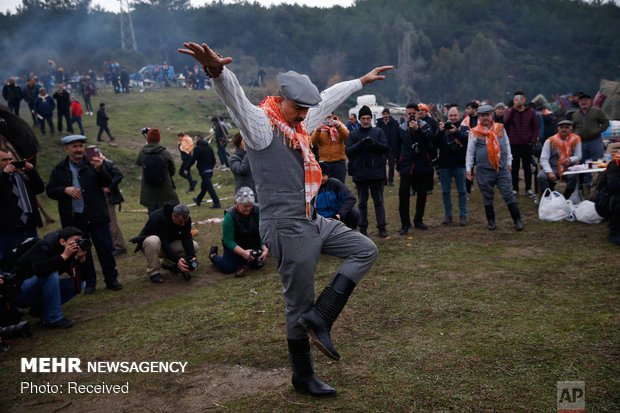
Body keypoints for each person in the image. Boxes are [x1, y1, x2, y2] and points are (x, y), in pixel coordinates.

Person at [179, 41, 388, 396]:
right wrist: (217, 71)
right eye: (299, 108)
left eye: (308, 110)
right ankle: (303, 376)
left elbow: (327, 98)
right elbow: (237, 102)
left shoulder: (300, 122)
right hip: (285, 225)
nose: (305, 115)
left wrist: (360, 82)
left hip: (312, 219)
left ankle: (322, 317)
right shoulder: (261, 126)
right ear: (282, 99)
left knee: (364, 249)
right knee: (298, 304)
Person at [46, 135, 123, 294]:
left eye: (81, 146)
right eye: (74, 146)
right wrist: (64, 190)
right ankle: (89, 282)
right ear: (67, 149)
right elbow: (50, 191)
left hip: (97, 215)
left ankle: (111, 279)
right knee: (82, 251)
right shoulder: (59, 169)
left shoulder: (93, 164)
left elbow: (108, 182)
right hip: (75, 218)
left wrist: (99, 170)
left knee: (105, 249)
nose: (79, 149)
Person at [14, 227, 89, 328]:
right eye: (75, 241)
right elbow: (40, 270)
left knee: (79, 284)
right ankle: (53, 318)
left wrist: (81, 258)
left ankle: (40, 310)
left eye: (79, 241)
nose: (77, 244)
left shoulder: (68, 249)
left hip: (38, 288)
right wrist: (64, 256)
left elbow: (81, 278)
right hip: (19, 291)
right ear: (62, 241)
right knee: (51, 274)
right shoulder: (44, 246)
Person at [466, 105, 523, 231]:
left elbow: (507, 146)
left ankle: (517, 220)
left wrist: (509, 162)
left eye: (487, 115)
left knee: (508, 193)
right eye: (482, 115)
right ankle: (491, 221)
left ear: (491, 115)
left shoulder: (500, 129)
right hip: (484, 170)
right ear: (479, 117)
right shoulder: (474, 132)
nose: (485, 118)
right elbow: (470, 152)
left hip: (501, 168)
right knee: (487, 195)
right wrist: (469, 169)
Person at [346, 105, 390, 238]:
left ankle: (382, 227)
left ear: (371, 119)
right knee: (362, 203)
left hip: (376, 173)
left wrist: (374, 144)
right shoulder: (353, 134)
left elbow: (386, 147)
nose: (366, 121)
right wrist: (360, 144)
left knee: (379, 201)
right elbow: (347, 151)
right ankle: (363, 227)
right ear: (359, 119)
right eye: (363, 118)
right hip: (360, 173)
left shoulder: (378, 132)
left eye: (368, 118)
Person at [131, 202, 198, 283]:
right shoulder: (158, 217)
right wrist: (177, 260)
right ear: (173, 216)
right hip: (152, 246)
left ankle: (169, 265)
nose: (183, 224)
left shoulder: (185, 219)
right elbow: (164, 242)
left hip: (169, 243)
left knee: (194, 246)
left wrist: (191, 257)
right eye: (180, 222)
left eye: (185, 221)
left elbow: (186, 237)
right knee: (153, 240)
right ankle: (153, 272)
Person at [209, 187, 268, 277]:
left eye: (250, 206)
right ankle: (213, 255)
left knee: (257, 264)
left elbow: (261, 230)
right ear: (238, 203)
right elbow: (228, 240)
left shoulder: (257, 210)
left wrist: (264, 247)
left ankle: (243, 258)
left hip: (251, 240)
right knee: (228, 268)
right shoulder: (230, 215)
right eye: (245, 206)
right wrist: (243, 252)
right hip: (235, 244)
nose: (248, 209)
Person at [396, 103, 435, 234]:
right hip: (407, 165)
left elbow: (429, 139)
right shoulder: (401, 128)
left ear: (418, 114)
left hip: (422, 165)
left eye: (414, 113)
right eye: (409, 114)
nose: (411, 116)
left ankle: (418, 220)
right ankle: (405, 224)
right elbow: (397, 147)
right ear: (405, 115)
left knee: (422, 194)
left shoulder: (425, 125)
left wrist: (417, 129)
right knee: (403, 195)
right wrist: (398, 164)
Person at [0, 149, 44, 259]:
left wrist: (31, 171)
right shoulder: (3, 178)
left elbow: (39, 188)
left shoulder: (21, 175)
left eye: (11, 159)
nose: (9, 162)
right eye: (4, 160)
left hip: (28, 225)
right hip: (7, 230)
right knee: (10, 261)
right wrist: (4, 175)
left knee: (32, 258)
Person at [434, 106, 469, 226]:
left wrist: (456, 132)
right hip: (445, 165)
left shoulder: (463, 128)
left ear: (459, 116)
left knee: (462, 191)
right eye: (451, 116)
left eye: (455, 115)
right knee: (445, 192)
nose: (453, 118)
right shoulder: (443, 129)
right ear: (447, 117)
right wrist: (440, 131)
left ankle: (463, 215)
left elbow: (467, 140)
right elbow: (435, 142)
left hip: (460, 164)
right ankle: (448, 215)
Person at [503, 91, 539, 197]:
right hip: (514, 143)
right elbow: (507, 121)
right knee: (514, 167)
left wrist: (532, 140)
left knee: (527, 167)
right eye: (516, 99)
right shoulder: (511, 111)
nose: (519, 101)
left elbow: (536, 126)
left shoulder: (530, 111)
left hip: (526, 143)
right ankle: (515, 188)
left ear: (524, 99)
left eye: (520, 98)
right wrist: (514, 108)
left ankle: (528, 188)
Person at [572, 93, 609, 190]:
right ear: (578, 102)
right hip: (581, 143)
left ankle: (599, 184)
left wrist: (599, 131)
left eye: (586, 100)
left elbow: (606, 122)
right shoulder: (575, 115)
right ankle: (587, 185)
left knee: (598, 163)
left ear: (590, 101)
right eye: (581, 101)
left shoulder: (596, 112)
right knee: (583, 165)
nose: (584, 102)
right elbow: (573, 127)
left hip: (595, 141)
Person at [136, 128, 179, 213]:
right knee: (167, 217)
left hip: (148, 191)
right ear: (159, 138)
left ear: (148, 139)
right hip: (165, 190)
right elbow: (172, 170)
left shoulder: (143, 152)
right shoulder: (165, 153)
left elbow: (138, 162)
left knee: (153, 218)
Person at [537, 120, 581, 198]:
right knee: (541, 176)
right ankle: (549, 197)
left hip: (568, 168)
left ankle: (566, 197)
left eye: (567, 128)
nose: (564, 129)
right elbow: (543, 159)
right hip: (553, 167)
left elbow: (578, 155)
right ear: (558, 129)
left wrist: (570, 160)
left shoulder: (576, 139)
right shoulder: (550, 141)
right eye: (561, 127)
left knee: (574, 175)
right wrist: (549, 172)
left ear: (570, 130)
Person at [316, 164, 360, 230]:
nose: (321, 178)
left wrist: (340, 214)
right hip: (320, 219)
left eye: (323, 175)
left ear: (328, 175)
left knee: (355, 212)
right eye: (319, 176)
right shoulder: (311, 189)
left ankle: (351, 230)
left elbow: (350, 199)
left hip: (337, 216)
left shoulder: (335, 184)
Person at [311, 113, 349, 183]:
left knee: (340, 185)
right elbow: (312, 143)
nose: (327, 120)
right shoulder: (319, 129)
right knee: (326, 186)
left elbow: (347, 137)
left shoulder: (341, 126)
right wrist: (318, 131)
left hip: (339, 161)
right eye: (325, 118)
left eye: (329, 117)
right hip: (325, 162)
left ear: (333, 117)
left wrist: (338, 127)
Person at [102, 158, 127, 257]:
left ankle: (119, 246)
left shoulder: (107, 163)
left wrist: (110, 187)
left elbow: (118, 175)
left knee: (112, 222)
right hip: (99, 198)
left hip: (107, 197)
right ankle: (112, 244)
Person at [191, 133, 221, 208]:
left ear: (198, 139)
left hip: (203, 171)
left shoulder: (197, 148)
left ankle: (216, 202)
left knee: (209, 187)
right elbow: (213, 160)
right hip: (210, 171)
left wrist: (186, 168)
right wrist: (211, 167)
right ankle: (198, 199)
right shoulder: (209, 147)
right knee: (204, 186)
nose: (194, 140)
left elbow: (193, 160)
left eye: (195, 139)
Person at [376, 108, 401, 186]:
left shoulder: (394, 123)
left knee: (391, 165)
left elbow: (397, 135)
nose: (385, 116)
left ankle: (391, 180)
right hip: (382, 147)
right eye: (384, 114)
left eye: (387, 114)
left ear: (389, 115)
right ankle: (384, 180)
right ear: (382, 115)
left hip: (391, 147)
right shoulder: (379, 123)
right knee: (382, 164)